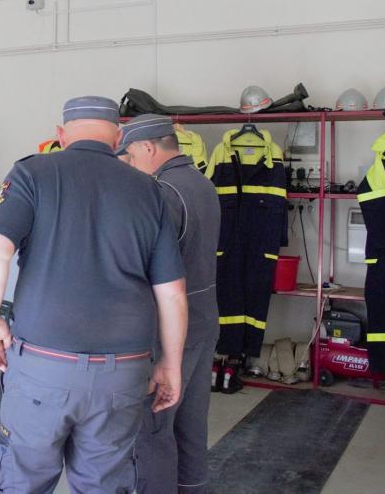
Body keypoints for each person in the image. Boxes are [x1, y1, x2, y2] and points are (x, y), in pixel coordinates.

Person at [0, 96, 188, 494]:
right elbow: (172, 294)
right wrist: (171, 365)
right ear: (118, 137)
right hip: (123, 373)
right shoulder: (149, 190)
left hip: (43, 367)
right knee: (104, 484)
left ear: (60, 134)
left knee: (22, 481)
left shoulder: (32, 173)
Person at [117, 114, 221, 494]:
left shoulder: (161, 193)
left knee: (153, 429)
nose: (130, 165)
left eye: (130, 156)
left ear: (148, 148)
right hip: (204, 320)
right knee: (191, 428)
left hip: (169, 330)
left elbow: (140, 265)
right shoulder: (202, 184)